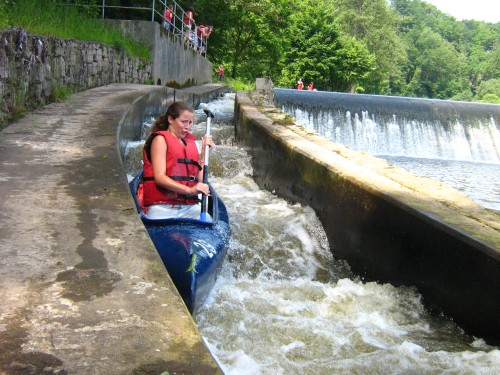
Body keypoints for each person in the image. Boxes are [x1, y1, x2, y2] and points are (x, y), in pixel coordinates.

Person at [142, 102, 214, 220]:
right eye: (184, 121)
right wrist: (189, 190)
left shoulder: (190, 144)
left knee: (209, 223)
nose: (188, 127)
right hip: (162, 208)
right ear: (170, 119)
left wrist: (204, 156)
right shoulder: (160, 139)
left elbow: (199, 180)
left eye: (190, 122)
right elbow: (159, 178)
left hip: (189, 208)